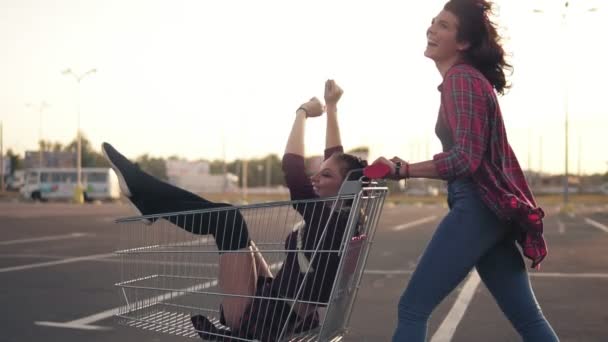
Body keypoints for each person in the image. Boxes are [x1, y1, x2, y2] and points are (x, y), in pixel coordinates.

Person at [102, 80, 368, 341]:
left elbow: (293, 171)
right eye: (319, 172)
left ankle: (144, 193)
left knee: (228, 220)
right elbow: (339, 160)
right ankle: (149, 200)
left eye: (326, 175)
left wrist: (301, 113)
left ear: (345, 186)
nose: (316, 178)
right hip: (280, 307)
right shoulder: (347, 215)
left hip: (264, 321)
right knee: (236, 231)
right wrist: (332, 108)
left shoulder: (330, 222)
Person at [370, 1, 559, 341]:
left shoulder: (462, 80)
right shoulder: (467, 81)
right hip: (493, 209)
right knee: (529, 321)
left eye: (443, 25)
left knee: (412, 308)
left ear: (463, 43)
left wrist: (404, 169)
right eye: (433, 22)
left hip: (477, 206)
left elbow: (465, 160)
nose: (431, 29)